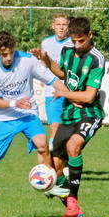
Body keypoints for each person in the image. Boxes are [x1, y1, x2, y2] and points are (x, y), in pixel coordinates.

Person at [0, 30, 68, 217]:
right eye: (4, 54)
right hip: (3, 118)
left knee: (43, 143)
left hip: (28, 114)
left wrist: (70, 96)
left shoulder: (28, 60)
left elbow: (52, 80)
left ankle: (47, 184)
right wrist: (14, 103)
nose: (8, 58)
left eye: (11, 53)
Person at [31, 16, 106, 217]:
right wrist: (45, 59)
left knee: (74, 146)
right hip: (68, 114)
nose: (77, 45)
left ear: (90, 35)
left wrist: (64, 94)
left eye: (81, 40)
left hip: (90, 114)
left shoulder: (97, 59)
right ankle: (74, 211)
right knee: (55, 168)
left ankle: (73, 198)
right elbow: (62, 73)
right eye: (74, 41)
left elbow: (89, 96)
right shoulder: (67, 51)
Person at [41, 13, 71, 151]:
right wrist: (43, 76)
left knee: (69, 131)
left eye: (64, 25)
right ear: (53, 26)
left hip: (70, 92)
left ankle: (64, 162)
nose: (61, 27)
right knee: (54, 127)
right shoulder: (46, 43)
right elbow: (44, 62)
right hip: (51, 91)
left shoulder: (73, 43)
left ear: (68, 26)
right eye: (58, 24)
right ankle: (54, 163)